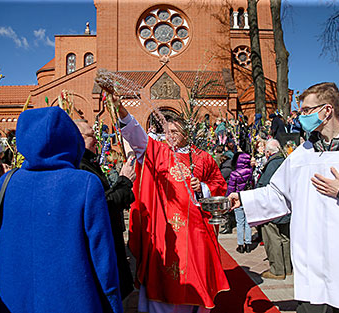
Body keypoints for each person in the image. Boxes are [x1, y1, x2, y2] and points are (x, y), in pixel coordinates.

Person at [228, 82, 339, 312]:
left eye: (307, 110)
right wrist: (244, 200)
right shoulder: (302, 155)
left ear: (327, 110)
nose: (301, 116)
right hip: (314, 263)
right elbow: (278, 193)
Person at [0, 107, 122, 313]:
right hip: (73, 300)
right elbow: (103, 257)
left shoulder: (5, 183)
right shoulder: (85, 184)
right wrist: (113, 304)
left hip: (12, 299)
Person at [113, 97, 229, 312]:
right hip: (165, 229)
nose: (170, 136)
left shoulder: (203, 158)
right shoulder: (160, 153)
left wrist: (202, 187)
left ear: (186, 133)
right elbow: (137, 138)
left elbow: (219, 185)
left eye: (175, 132)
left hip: (195, 231)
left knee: (196, 276)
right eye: (167, 132)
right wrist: (121, 110)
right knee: (163, 279)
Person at [75, 119, 136, 300]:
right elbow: (103, 203)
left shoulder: (88, 161)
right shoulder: (80, 166)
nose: (96, 140)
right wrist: (125, 180)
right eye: (91, 136)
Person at [255, 139, 291, 280]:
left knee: (273, 238)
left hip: (272, 208)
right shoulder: (284, 161)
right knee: (285, 238)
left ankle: (277, 270)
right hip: (285, 207)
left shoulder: (272, 164)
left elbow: (264, 186)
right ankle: (287, 267)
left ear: (268, 152)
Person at [226, 152, 253, 253]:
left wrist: (229, 198)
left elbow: (231, 188)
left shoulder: (234, 174)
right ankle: (248, 244)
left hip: (238, 199)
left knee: (240, 222)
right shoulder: (250, 172)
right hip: (248, 198)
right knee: (248, 222)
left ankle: (241, 244)